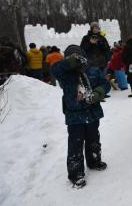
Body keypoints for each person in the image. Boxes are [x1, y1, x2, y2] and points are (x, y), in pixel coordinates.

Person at [51, 45, 110, 188]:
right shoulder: (64, 73)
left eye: (78, 56)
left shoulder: (92, 70)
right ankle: (76, 173)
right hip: (74, 116)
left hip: (92, 112)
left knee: (93, 139)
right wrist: (69, 63)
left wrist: (98, 93)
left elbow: (105, 84)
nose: (76, 60)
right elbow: (54, 69)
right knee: (75, 144)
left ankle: (94, 160)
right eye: (71, 57)